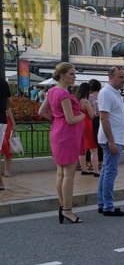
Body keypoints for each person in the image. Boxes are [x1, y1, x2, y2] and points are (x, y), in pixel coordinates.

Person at [37, 62, 85, 223]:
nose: (74, 76)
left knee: (60, 173)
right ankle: (67, 210)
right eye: (72, 74)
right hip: (67, 135)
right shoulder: (63, 94)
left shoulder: (51, 91)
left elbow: (41, 111)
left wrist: (56, 119)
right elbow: (71, 119)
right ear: (62, 75)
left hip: (58, 132)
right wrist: (83, 116)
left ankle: (63, 205)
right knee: (69, 174)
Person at [97, 65, 124, 217]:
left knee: (106, 171)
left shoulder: (115, 93)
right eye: (120, 77)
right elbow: (103, 117)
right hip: (111, 139)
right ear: (111, 76)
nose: (123, 80)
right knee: (110, 172)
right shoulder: (106, 92)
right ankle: (108, 205)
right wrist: (112, 141)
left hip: (116, 138)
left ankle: (103, 203)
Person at [76, 82, 99, 177]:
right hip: (88, 125)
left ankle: (84, 169)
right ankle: (96, 171)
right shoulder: (86, 102)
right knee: (93, 149)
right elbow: (92, 115)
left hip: (79, 124)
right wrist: (93, 107)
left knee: (83, 149)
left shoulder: (76, 101)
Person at [0, 77, 14, 190]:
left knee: (5, 147)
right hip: (1, 120)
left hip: (3, 121)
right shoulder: (3, 82)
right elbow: (9, 102)